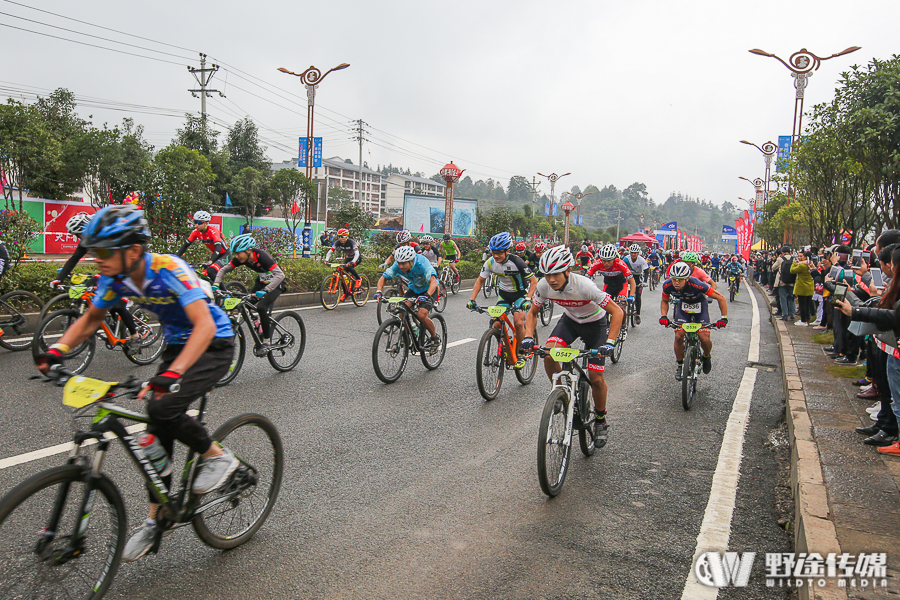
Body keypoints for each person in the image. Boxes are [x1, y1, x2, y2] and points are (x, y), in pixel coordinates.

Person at [34, 205, 237, 562]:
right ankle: (156, 520)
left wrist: (171, 376)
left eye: (102, 251)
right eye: (92, 251)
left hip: (213, 342)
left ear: (133, 250)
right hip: (178, 344)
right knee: (156, 431)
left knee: (163, 406)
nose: (95, 259)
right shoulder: (116, 278)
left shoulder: (168, 268)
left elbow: (204, 325)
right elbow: (93, 318)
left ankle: (219, 458)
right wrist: (57, 350)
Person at [522, 245, 624, 446]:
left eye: (556, 274)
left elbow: (618, 312)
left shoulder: (585, 286)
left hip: (595, 325)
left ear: (568, 270)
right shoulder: (543, 286)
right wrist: (527, 336)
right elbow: (532, 313)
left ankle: (601, 420)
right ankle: (560, 393)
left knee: (596, 378)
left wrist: (610, 343)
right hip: (570, 323)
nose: (551, 280)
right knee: (549, 354)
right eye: (547, 274)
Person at [51, 213, 141, 345]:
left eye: (78, 234)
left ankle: (135, 335)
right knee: (88, 285)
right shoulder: (86, 240)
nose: (78, 238)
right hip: (112, 267)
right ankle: (107, 317)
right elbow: (74, 259)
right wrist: (59, 279)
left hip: (129, 265)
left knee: (117, 303)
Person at [468, 232, 537, 368]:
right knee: (497, 324)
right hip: (504, 295)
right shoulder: (490, 262)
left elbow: (534, 282)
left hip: (520, 295)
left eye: (500, 252)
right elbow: (480, 281)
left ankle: (522, 352)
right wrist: (472, 300)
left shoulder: (517, 262)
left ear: (507, 251)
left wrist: (528, 299)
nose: (496, 255)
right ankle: (508, 349)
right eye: (494, 252)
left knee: (518, 323)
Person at [213, 233, 286, 354]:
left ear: (248, 250)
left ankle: (267, 342)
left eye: (238, 253)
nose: (236, 256)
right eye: (235, 253)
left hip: (276, 284)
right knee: (244, 303)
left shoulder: (263, 257)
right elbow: (223, 269)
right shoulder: (241, 259)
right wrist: (216, 284)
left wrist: (265, 290)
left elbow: (280, 275)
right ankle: (258, 323)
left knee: (262, 307)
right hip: (261, 283)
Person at [659, 261, 728, 380]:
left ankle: (706, 356)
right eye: (674, 279)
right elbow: (665, 300)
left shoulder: (698, 284)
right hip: (683, 307)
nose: (676, 282)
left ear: (687, 278)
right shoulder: (667, 285)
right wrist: (664, 316)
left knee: (704, 337)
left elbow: (721, 298)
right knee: (678, 336)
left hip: (700, 307)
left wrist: (724, 318)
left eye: (680, 279)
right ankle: (680, 365)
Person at [374, 245, 441, 349]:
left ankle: (434, 338)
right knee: (401, 312)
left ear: (412, 260)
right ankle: (408, 335)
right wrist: (379, 292)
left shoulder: (422, 263)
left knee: (422, 315)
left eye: (404, 263)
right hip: (414, 289)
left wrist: (427, 295)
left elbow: (433, 282)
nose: (401, 266)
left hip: (429, 289)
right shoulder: (397, 265)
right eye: (399, 263)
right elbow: (383, 278)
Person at [175, 210, 229, 283]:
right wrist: (176, 258)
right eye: (195, 222)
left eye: (199, 223)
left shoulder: (213, 231)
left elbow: (218, 249)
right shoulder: (195, 232)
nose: (196, 225)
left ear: (206, 223)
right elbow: (185, 246)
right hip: (216, 256)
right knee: (203, 274)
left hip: (225, 255)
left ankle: (224, 292)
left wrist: (210, 261)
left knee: (210, 271)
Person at [623, 244, 648, 324]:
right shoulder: (626, 259)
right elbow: (620, 268)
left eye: (635, 253)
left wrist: (644, 282)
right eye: (632, 253)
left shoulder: (642, 260)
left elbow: (646, 271)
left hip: (637, 278)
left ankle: (637, 315)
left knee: (638, 296)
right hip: (628, 277)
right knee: (625, 294)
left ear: (638, 253)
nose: (633, 254)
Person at [791, 251, 816, 326]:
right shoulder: (811, 264)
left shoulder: (802, 265)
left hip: (802, 287)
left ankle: (803, 320)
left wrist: (794, 263)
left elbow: (792, 270)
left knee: (802, 305)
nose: (800, 258)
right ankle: (807, 319)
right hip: (810, 286)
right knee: (808, 304)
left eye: (802, 256)